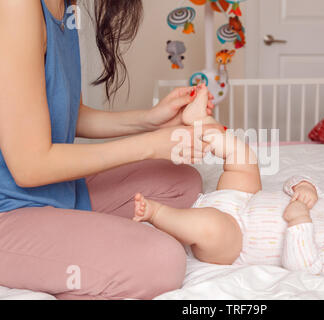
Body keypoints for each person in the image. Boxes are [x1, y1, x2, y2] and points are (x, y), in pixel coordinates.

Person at [0, 0, 221, 299]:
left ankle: (85, 245)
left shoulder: (66, 6)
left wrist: (150, 120)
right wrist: (149, 147)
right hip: (10, 211)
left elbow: (67, 113)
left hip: (55, 192)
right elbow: (29, 166)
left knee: (182, 182)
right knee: (161, 260)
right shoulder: (16, 7)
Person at [134, 85, 324, 274]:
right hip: (243, 199)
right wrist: (303, 187)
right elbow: (296, 181)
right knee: (246, 163)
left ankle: (158, 213)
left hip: (236, 238)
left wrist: (300, 220)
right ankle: (201, 125)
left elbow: (303, 265)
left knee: (210, 227)